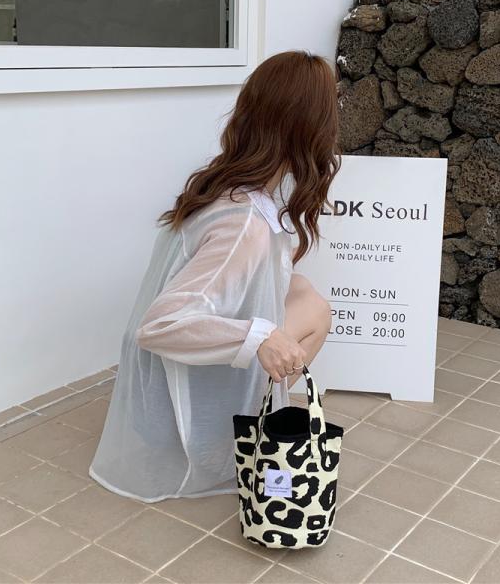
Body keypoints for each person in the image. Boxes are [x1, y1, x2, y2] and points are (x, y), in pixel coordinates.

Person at [89, 50, 342, 502]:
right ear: (310, 128)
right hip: (176, 415)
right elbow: (159, 325)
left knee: (302, 290)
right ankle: (238, 440)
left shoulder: (226, 186)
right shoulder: (243, 223)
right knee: (316, 313)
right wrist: (260, 337)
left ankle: (248, 418)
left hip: (157, 396)